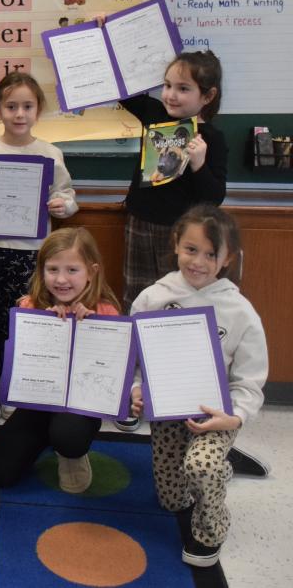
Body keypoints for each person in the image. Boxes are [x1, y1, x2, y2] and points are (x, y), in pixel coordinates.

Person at [129, 204, 266, 567]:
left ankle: (212, 529)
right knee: (172, 500)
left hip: (216, 413)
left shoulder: (240, 312)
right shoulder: (152, 298)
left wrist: (232, 418)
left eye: (211, 254)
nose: (199, 262)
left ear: (227, 258)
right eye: (191, 249)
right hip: (169, 411)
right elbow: (134, 359)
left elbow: (250, 381)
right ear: (176, 244)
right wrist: (136, 390)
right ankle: (221, 467)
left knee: (201, 467)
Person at [112, 49, 226, 432]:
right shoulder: (154, 116)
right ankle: (131, 389)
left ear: (206, 96)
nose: (171, 95)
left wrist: (200, 163)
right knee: (135, 300)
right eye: (167, 85)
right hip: (139, 223)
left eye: (183, 88)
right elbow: (122, 89)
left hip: (181, 238)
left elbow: (214, 197)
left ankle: (171, 390)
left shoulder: (211, 138)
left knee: (174, 309)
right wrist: (104, 35)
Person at [0, 72, 77, 411]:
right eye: (11, 106)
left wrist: (63, 205)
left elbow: (68, 197)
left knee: (25, 314)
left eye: (27, 106)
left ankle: (20, 380)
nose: (19, 114)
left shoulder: (50, 154)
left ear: (38, 110)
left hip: (33, 251)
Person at [0, 227, 121, 494]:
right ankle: (47, 437)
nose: (61, 279)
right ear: (42, 270)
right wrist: (46, 325)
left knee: (68, 436)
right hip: (40, 404)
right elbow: (23, 363)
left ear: (91, 271)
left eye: (72, 270)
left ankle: (70, 453)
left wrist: (91, 326)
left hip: (78, 407)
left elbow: (109, 372)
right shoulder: (30, 306)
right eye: (53, 269)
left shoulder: (105, 311)